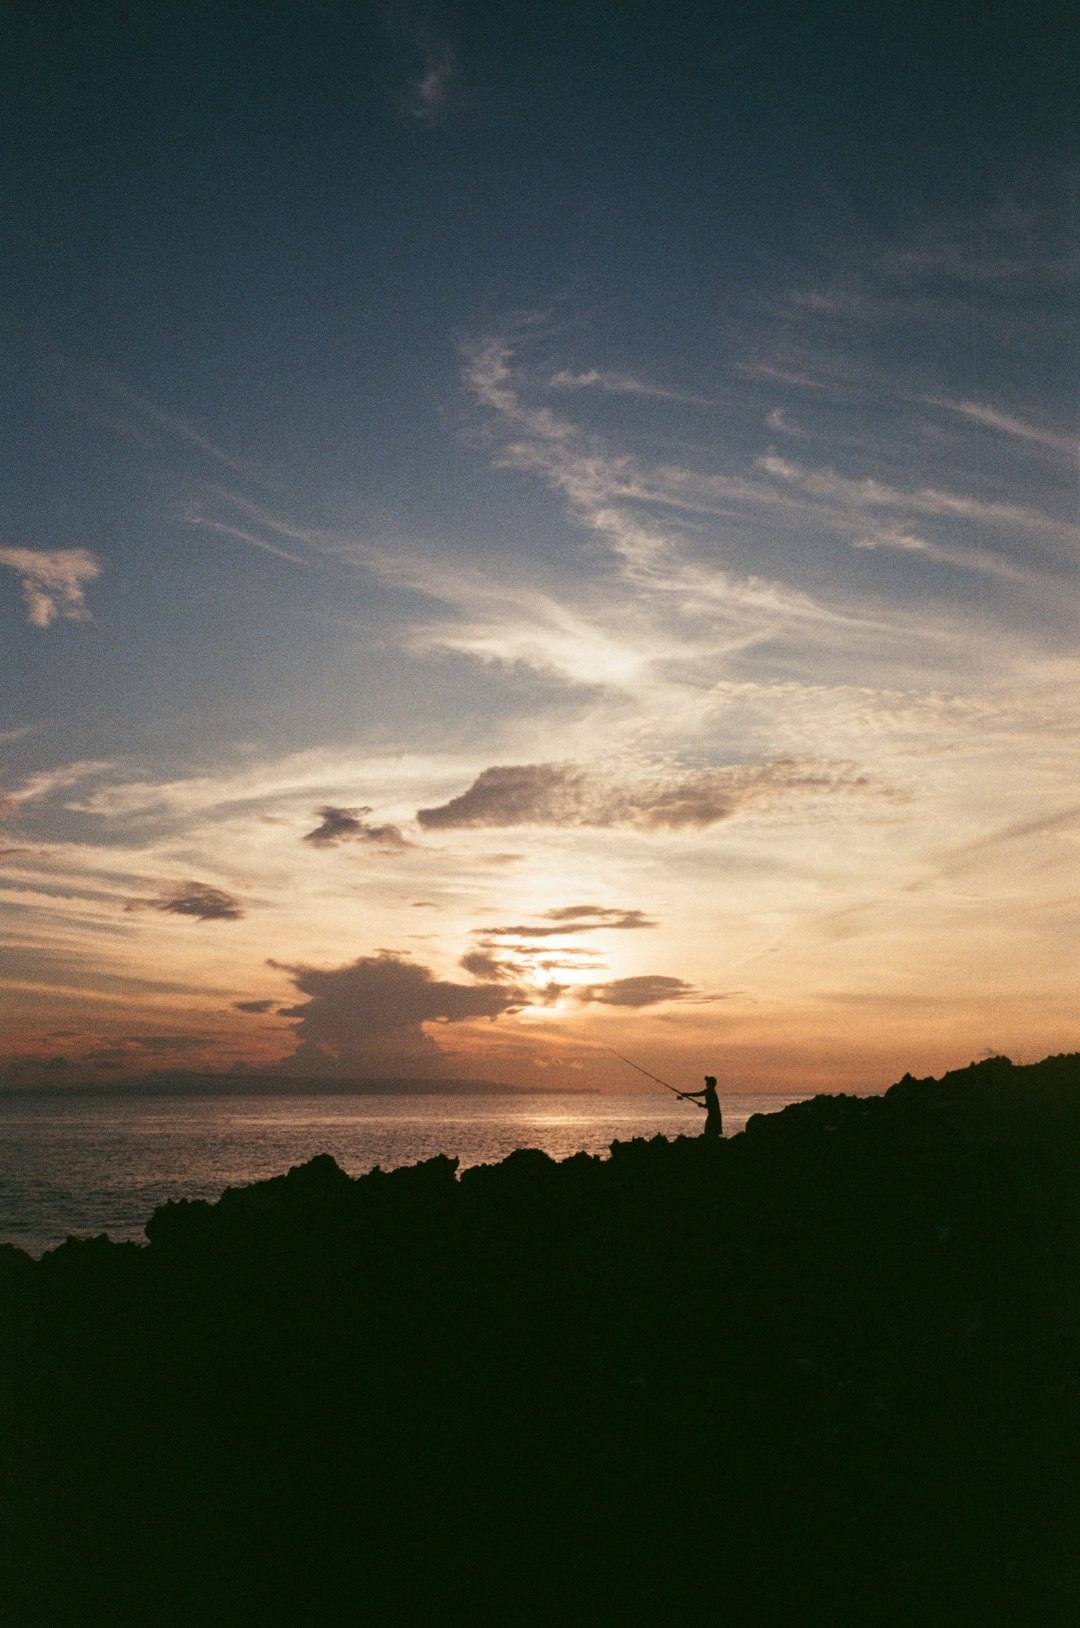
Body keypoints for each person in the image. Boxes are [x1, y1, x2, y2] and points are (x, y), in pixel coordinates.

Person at [681, 1075, 723, 1141]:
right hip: (715, 1115)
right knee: (712, 1133)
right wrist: (686, 1094)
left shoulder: (710, 1092)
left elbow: (711, 1105)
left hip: (714, 1115)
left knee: (710, 1133)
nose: (706, 1083)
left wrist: (702, 1105)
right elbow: (697, 1094)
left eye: (708, 1082)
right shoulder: (709, 1091)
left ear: (711, 1084)